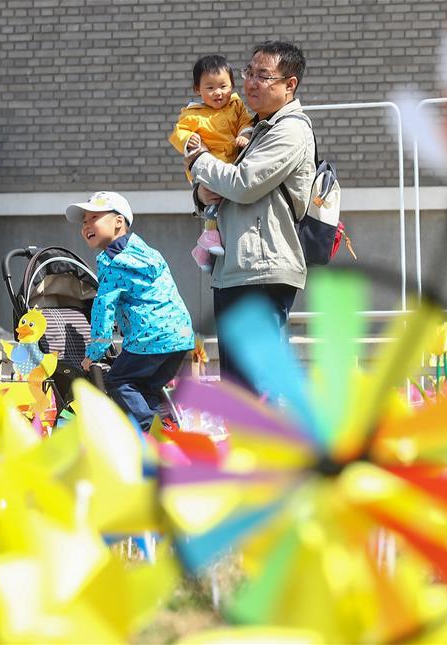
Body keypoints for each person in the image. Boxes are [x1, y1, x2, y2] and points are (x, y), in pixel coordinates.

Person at [184, 41, 315, 392]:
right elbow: (223, 189)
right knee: (238, 386)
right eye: (249, 73)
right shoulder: (252, 126)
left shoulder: (290, 130)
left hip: (262, 268)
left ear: (290, 85)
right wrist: (200, 194)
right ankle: (246, 445)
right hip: (235, 268)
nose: (251, 82)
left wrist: (199, 162)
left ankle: (269, 447)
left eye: (263, 75)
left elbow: (243, 185)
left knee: (258, 383)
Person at [65, 191, 195, 432]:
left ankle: (149, 433)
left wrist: (95, 352)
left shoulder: (113, 262)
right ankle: (169, 431)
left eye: (94, 218)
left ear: (118, 221)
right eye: (84, 222)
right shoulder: (147, 252)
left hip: (150, 339)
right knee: (144, 388)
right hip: (179, 336)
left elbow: (103, 308)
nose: (86, 226)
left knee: (119, 380)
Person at [169, 55, 253, 272]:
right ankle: (208, 239)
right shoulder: (193, 114)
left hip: (229, 164)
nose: (218, 92)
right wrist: (190, 140)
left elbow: (246, 121)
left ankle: (205, 248)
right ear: (198, 89)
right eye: (210, 87)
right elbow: (179, 133)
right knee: (213, 203)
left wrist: (244, 134)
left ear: (232, 86)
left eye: (223, 86)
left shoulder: (236, 106)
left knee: (223, 205)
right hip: (209, 165)